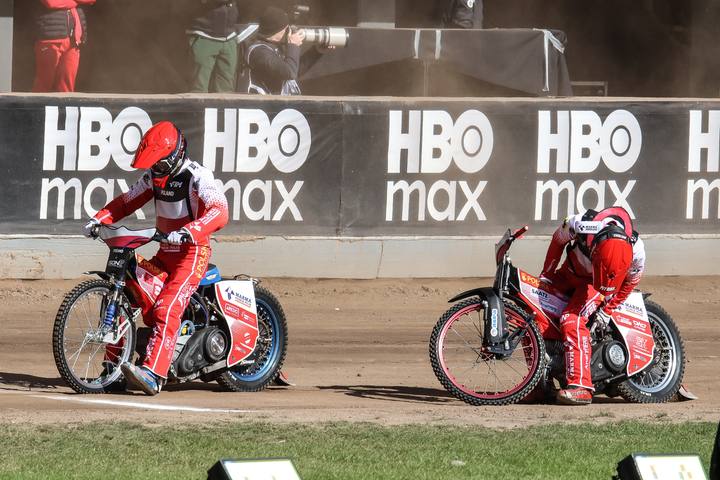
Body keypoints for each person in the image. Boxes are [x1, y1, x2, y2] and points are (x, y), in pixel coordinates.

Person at [83, 121, 229, 395]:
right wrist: (99, 219)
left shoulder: (198, 177)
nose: (156, 169)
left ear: (174, 156)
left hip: (192, 254)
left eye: (160, 163)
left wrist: (190, 231)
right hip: (164, 254)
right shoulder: (153, 177)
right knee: (126, 294)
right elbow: (126, 201)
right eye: (154, 164)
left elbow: (220, 211)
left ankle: (153, 374)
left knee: (166, 308)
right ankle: (112, 370)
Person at [539, 207, 646, 405]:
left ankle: (582, 386)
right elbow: (557, 240)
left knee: (571, 319)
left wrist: (608, 309)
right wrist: (547, 274)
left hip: (595, 286)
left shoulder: (637, 247)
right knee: (534, 307)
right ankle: (539, 385)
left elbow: (632, 281)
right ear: (594, 247)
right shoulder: (578, 224)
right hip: (568, 275)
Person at [33, 0, 96, 92]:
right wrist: (76, 2)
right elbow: (51, 2)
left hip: (73, 40)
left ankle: (65, 102)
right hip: (50, 39)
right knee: (44, 84)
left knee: (66, 87)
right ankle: (37, 103)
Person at [242, 6, 304, 95]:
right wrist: (293, 45)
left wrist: (317, 51)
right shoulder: (259, 52)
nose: (289, 32)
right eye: (287, 28)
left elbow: (295, 68)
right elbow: (289, 73)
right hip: (262, 102)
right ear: (278, 31)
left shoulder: (275, 46)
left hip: (276, 102)